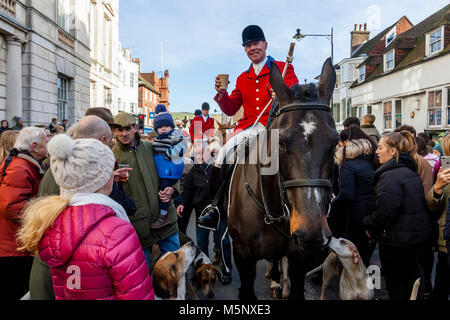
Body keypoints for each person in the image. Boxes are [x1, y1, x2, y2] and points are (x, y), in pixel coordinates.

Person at [17, 134, 153, 300]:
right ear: (106, 179)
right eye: (110, 171)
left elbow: (61, 290)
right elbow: (137, 295)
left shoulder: (52, 222)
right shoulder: (117, 231)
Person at [198, 24, 299, 230]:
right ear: (245, 49)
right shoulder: (243, 78)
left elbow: (294, 94)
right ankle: (215, 207)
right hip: (248, 127)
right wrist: (221, 94)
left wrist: (282, 95)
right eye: (248, 45)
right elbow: (231, 107)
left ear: (265, 44)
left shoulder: (282, 67)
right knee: (222, 155)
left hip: (275, 126)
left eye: (256, 43)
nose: (252, 48)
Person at [363, 131, 431, 300]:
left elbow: (385, 212)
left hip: (396, 242)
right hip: (410, 240)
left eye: (380, 148)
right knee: (411, 286)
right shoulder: (409, 170)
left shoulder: (391, 175)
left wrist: (368, 223)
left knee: (397, 287)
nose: (376, 152)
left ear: (393, 151)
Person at [112, 111, 181, 266]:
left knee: (175, 269)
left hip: (166, 222)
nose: (124, 133)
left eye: (127, 128)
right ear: (115, 131)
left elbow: (171, 170)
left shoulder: (152, 147)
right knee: (143, 278)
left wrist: (173, 189)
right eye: (119, 130)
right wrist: (112, 180)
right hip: (138, 228)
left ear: (135, 127)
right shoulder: (111, 155)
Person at [0, 127, 48, 300]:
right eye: (46, 141)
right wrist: (45, 210)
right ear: (34, 146)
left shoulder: (24, 163)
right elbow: (11, 207)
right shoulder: (21, 167)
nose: (49, 145)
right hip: (14, 248)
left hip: (15, 245)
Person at [177, 141, 233, 283]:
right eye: (196, 154)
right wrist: (183, 204)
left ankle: (227, 271)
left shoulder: (219, 168)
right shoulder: (193, 171)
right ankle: (205, 272)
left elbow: (228, 188)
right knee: (201, 244)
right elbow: (188, 191)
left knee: (223, 242)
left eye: (202, 152)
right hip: (202, 213)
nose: (200, 156)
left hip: (219, 212)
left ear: (209, 152)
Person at [331, 125, 378, 266]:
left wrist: (334, 201)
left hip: (354, 216)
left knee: (353, 254)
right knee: (364, 254)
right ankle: (366, 284)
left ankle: (353, 284)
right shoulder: (370, 162)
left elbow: (347, 195)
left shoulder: (348, 165)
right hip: (370, 213)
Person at [151, 104, 186, 229]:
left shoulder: (174, 135)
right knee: (162, 190)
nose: (164, 129)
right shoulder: (158, 138)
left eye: (166, 126)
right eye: (160, 127)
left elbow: (181, 147)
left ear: (171, 126)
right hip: (163, 170)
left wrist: (169, 154)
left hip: (169, 170)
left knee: (163, 192)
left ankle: (163, 216)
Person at [425, 133, 450, 300]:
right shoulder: (444, 173)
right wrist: (438, 188)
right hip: (446, 242)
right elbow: (432, 206)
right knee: (441, 287)